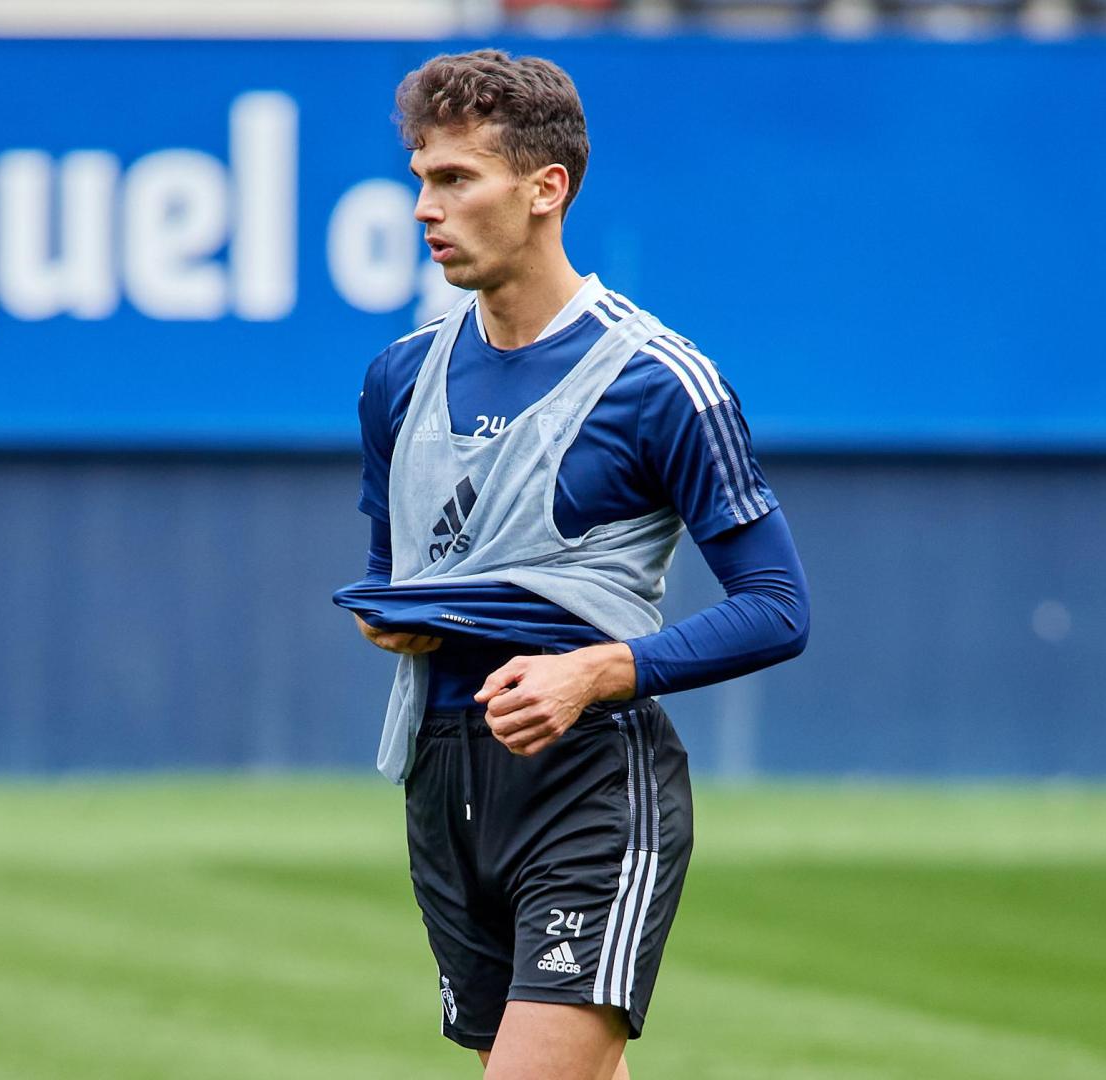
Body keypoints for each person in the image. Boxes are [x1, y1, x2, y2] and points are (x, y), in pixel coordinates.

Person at [330, 50, 811, 1080]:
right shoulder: (397, 378)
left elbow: (779, 607)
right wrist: (396, 619)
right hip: (447, 778)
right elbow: (392, 576)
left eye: (455, 178)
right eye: (420, 176)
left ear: (546, 189)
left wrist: (592, 669)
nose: (425, 206)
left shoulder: (659, 380)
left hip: (591, 778)